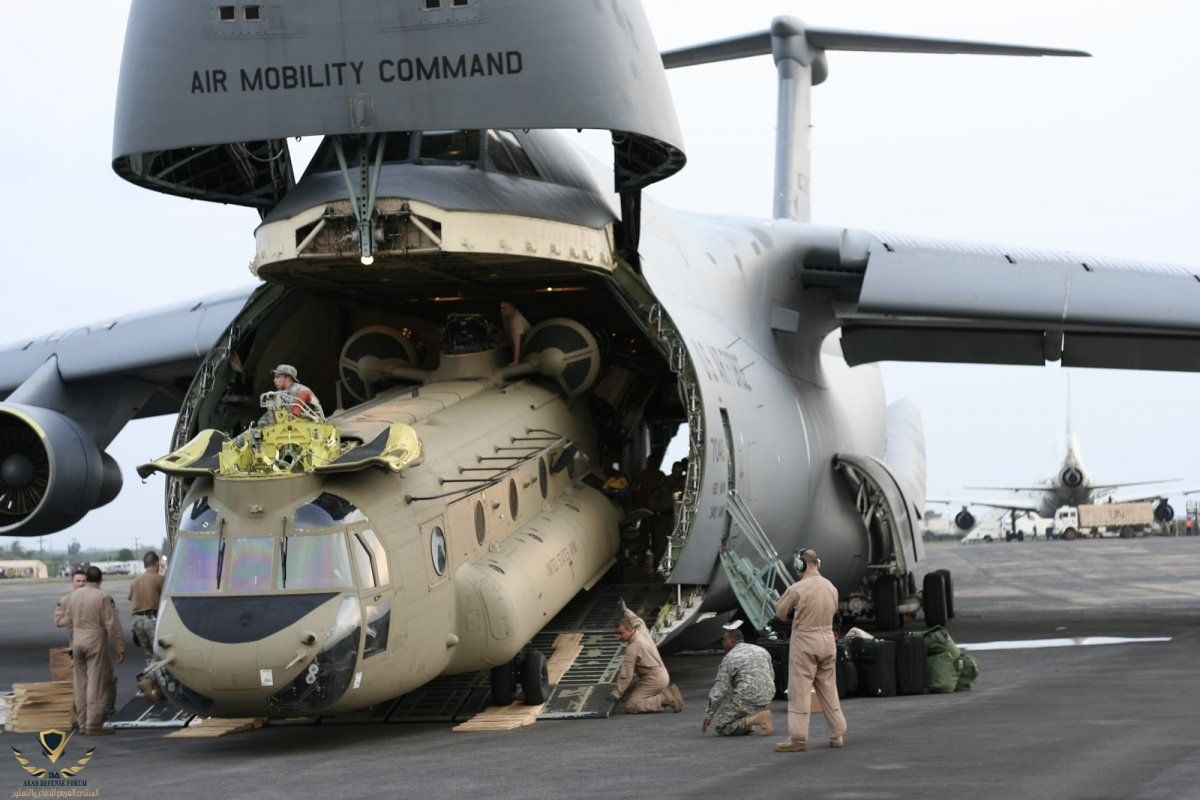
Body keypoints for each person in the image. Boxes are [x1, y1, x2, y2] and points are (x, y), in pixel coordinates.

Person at [772, 548, 847, 752]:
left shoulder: (798, 588)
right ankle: (837, 733)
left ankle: (798, 738)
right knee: (829, 689)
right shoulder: (831, 587)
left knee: (799, 691)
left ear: (800, 565)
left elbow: (780, 612)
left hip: (806, 641)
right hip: (827, 640)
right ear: (818, 563)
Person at [59, 566, 125, 735]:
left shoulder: (73, 596)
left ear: (86, 579)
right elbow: (112, 624)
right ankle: (93, 723)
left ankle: (81, 722)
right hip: (94, 641)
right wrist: (119, 647)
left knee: (80, 684)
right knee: (95, 683)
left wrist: (73, 639)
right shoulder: (103, 596)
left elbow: (67, 620)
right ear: (101, 580)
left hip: (77, 641)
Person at [701, 626, 775, 736]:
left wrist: (709, 714)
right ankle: (748, 721)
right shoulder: (761, 650)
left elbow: (720, 689)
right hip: (768, 694)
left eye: (724, 640)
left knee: (722, 726)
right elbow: (771, 675)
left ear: (732, 640)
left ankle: (757, 719)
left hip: (748, 696)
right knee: (736, 691)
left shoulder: (730, 657)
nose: (723, 644)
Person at [610, 606, 683, 714]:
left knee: (631, 706)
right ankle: (664, 693)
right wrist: (626, 611)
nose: (618, 637)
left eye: (621, 633)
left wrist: (616, 694)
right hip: (661, 674)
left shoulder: (632, 648)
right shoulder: (641, 631)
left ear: (630, 630)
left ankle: (664, 698)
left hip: (653, 680)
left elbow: (626, 675)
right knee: (630, 684)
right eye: (617, 634)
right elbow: (637, 620)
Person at [128, 551, 165, 666]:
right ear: (157, 563)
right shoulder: (159, 579)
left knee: (148, 654)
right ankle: (160, 679)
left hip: (138, 622)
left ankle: (150, 677)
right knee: (160, 654)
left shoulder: (135, 581)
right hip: (152, 620)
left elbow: (131, 598)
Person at [259, 364, 324, 423]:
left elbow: (306, 396)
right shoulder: (278, 394)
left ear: (288, 378)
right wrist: (261, 424)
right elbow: (270, 414)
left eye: (278, 377)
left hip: (313, 426)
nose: (274, 380)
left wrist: (294, 413)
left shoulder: (301, 390)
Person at [499, 299, 531, 366]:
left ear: (512, 307)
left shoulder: (517, 321)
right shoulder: (508, 317)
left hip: (528, 352)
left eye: (504, 308)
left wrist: (516, 361)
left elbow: (517, 342)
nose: (502, 311)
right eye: (501, 308)